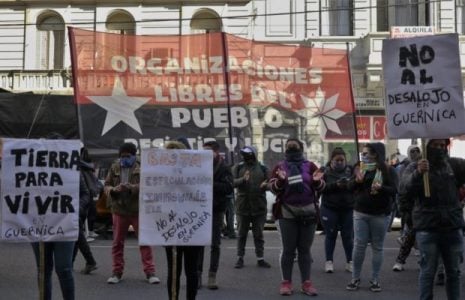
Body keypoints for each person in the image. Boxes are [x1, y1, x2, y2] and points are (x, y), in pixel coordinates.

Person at [399, 139, 465, 300]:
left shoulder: (454, 165)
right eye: (435, 145)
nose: (440, 148)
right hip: (428, 227)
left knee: (454, 273)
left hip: (452, 226)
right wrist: (418, 174)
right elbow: (404, 189)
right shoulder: (414, 166)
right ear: (427, 146)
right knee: (427, 272)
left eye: (443, 145)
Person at [269, 138, 325, 296]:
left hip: (308, 213)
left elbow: (322, 186)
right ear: (286, 149)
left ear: (301, 147)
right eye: (288, 145)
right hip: (287, 213)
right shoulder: (279, 167)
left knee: (305, 250)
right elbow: (273, 188)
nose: (291, 146)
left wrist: (317, 182)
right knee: (288, 250)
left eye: (294, 144)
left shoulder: (310, 165)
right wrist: (280, 181)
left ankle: (306, 283)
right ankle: (286, 283)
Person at [104, 142, 160, 284]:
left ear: (135, 155)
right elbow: (106, 185)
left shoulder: (144, 166)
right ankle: (116, 272)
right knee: (117, 243)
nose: (124, 159)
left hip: (138, 210)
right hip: (119, 209)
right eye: (122, 157)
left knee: (144, 241)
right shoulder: (115, 166)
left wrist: (132, 188)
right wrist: (112, 190)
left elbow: (150, 184)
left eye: (127, 156)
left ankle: (150, 272)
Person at [31, 134, 77, 300]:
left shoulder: (71, 170)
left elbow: (86, 194)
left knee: (64, 268)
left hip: (64, 224)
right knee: (43, 269)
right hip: (39, 224)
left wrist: (74, 211)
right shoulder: (31, 170)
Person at [346, 142, 397, 293]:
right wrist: (357, 181)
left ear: (376, 154)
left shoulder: (388, 170)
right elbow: (350, 187)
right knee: (359, 245)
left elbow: (395, 190)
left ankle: (375, 279)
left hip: (380, 214)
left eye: (367, 153)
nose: (364, 156)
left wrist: (381, 188)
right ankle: (355, 278)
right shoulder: (361, 168)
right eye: (363, 153)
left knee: (377, 247)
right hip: (361, 212)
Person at [164, 140, 203, 300]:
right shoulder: (160, 174)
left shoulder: (196, 172)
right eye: (169, 154)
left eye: (175, 153)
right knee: (173, 270)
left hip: (192, 226)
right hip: (170, 227)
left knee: (191, 270)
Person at [197, 140, 233, 290]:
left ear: (216, 152)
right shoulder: (197, 166)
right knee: (198, 245)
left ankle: (212, 276)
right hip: (199, 209)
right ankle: (197, 275)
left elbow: (229, 187)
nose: (204, 154)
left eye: (208, 151)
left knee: (215, 244)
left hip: (216, 210)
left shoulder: (224, 168)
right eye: (203, 150)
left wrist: (210, 183)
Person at [233, 146, 271, 269]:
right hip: (242, 206)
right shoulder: (238, 167)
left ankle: (260, 258)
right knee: (241, 234)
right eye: (244, 154)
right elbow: (231, 182)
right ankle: (240, 258)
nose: (246, 157)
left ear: (254, 155)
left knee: (258, 234)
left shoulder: (263, 168)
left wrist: (266, 185)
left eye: (249, 154)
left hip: (259, 207)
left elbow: (273, 183)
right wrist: (242, 180)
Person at [320, 147, 354, 273]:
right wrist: (335, 185)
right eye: (337, 160)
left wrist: (348, 184)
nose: (339, 162)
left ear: (345, 160)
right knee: (331, 235)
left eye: (342, 160)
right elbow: (320, 188)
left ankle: (350, 261)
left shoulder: (351, 171)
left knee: (347, 236)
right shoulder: (324, 171)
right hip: (330, 208)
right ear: (331, 160)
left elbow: (357, 185)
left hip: (348, 208)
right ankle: (329, 261)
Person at [393, 144, 421, 272]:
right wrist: (403, 207)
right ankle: (400, 260)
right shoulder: (408, 167)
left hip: (428, 207)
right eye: (412, 151)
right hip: (412, 207)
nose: (415, 153)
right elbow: (403, 187)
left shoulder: (432, 165)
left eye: (417, 151)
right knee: (411, 234)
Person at [72, 147, 98, 274]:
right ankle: (72, 263)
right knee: (77, 235)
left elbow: (84, 191)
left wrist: (78, 209)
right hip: (83, 205)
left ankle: (90, 261)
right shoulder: (85, 166)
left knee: (77, 235)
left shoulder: (75, 167)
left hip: (78, 206)